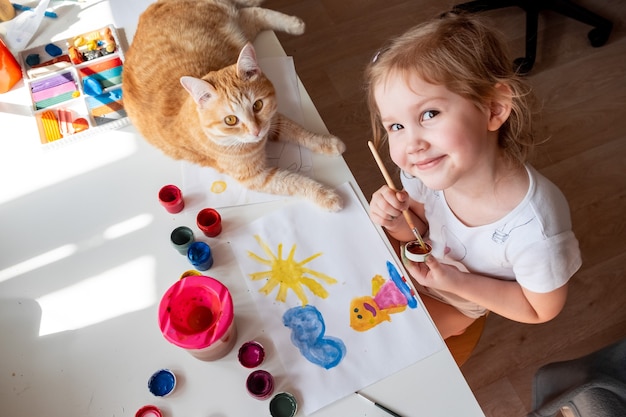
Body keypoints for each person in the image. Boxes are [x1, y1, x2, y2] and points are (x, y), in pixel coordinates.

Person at [365, 12, 582, 339]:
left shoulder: (536, 231)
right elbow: (419, 232)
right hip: (415, 268)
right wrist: (397, 220)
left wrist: (456, 282)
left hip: (459, 301)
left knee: (383, 340)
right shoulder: (428, 167)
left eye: (429, 114)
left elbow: (540, 309)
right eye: (396, 126)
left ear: (494, 108)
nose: (412, 143)